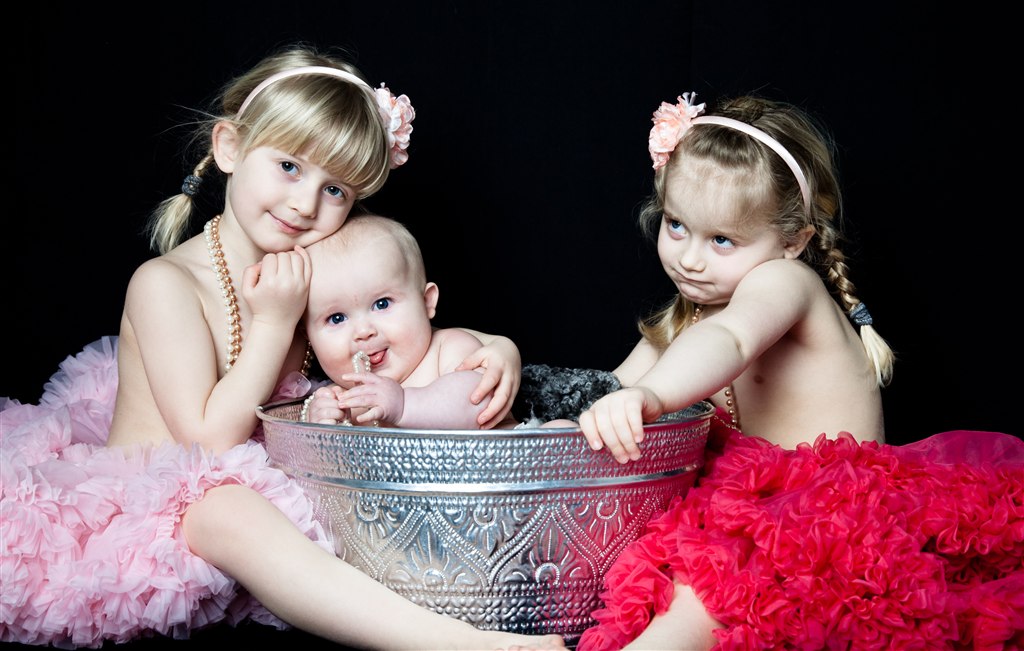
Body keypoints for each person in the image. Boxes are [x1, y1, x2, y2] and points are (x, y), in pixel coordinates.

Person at [0, 44, 563, 650]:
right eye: (289, 166)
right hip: (154, 504)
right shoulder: (166, 283)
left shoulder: (316, 272)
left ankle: (490, 603)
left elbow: (407, 343)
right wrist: (273, 325)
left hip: (279, 489)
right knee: (225, 509)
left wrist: (495, 347)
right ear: (229, 148)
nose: (305, 203)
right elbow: (207, 442)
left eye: (335, 190)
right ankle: (461, 644)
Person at [568, 93, 1024, 649]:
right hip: (746, 524)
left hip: (833, 526)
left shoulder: (784, 284)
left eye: (722, 240)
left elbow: (732, 340)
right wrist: (545, 404)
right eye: (677, 225)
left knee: (702, 592)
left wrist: (653, 397)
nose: (689, 258)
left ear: (793, 241)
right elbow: (602, 394)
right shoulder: (691, 317)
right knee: (661, 577)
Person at [300, 212, 517, 429]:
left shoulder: (448, 349)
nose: (364, 331)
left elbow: (479, 403)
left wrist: (404, 405)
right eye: (337, 318)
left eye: (382, 304)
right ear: (307, 334)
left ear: (426, 302)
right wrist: (321, 425)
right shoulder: (339, 398)